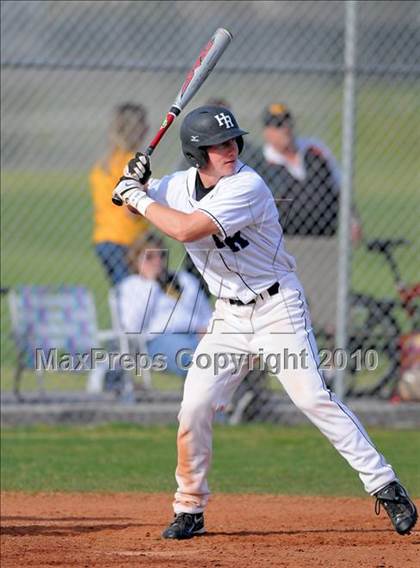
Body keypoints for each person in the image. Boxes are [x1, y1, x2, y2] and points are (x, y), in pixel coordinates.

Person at [112, 105, 417, 539]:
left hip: (277, 310)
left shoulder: (248, 185)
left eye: (233, 140)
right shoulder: (178, 185)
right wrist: (134, 183)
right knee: (194, 406)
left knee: (313, 398)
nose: (231, 149)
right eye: (218, 145)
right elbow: (133, 207)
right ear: (197, 154)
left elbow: (184, 230)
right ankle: (190, 507)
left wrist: (137, 194)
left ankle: (386, 486)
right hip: (228, 318)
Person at [247, 103, 363, 333]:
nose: (285, 130)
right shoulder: (261, 163)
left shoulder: (314, 150)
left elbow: (340, 187)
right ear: (267, 132)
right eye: (278, 126)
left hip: (327, 241)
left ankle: (333, 360)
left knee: (330, 304)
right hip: (288, 244)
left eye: (287, 123)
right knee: (295, 306)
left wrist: (353, 219)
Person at [117, 231, 212, 377]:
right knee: (193, 359)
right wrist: (151, 285)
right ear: (135, 260)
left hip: (195, 334)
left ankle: (245, 393)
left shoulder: (182, 279)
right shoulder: (132, 285)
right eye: (149, 257)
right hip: (159, 339)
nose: (157, 262)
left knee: (225, 353)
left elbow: (206, 313)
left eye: (161, 255)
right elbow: (132, 326)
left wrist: (207, 330)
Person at [90, 103, 150, 285]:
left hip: (103, 238)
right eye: (144, 124)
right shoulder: (133, 163)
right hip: (127, 241)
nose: (148, 128)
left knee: (122, 295)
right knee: (134, 296)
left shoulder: (103, 163)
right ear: (136, 129)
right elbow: (130, 210)